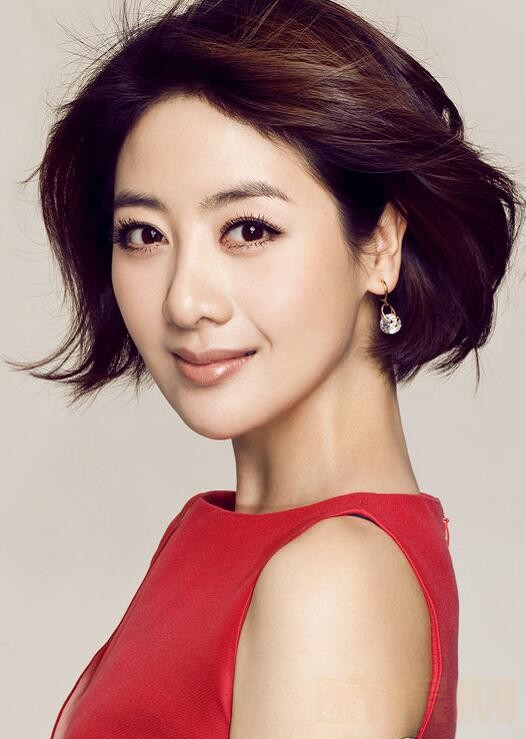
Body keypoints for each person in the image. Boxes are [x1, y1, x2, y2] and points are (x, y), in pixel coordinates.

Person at [7, 0, 524, 737]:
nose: (185, 299)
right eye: (144, 234)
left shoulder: (332, 580)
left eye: (248, 229)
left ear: (379, 245)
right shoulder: (224, 536)